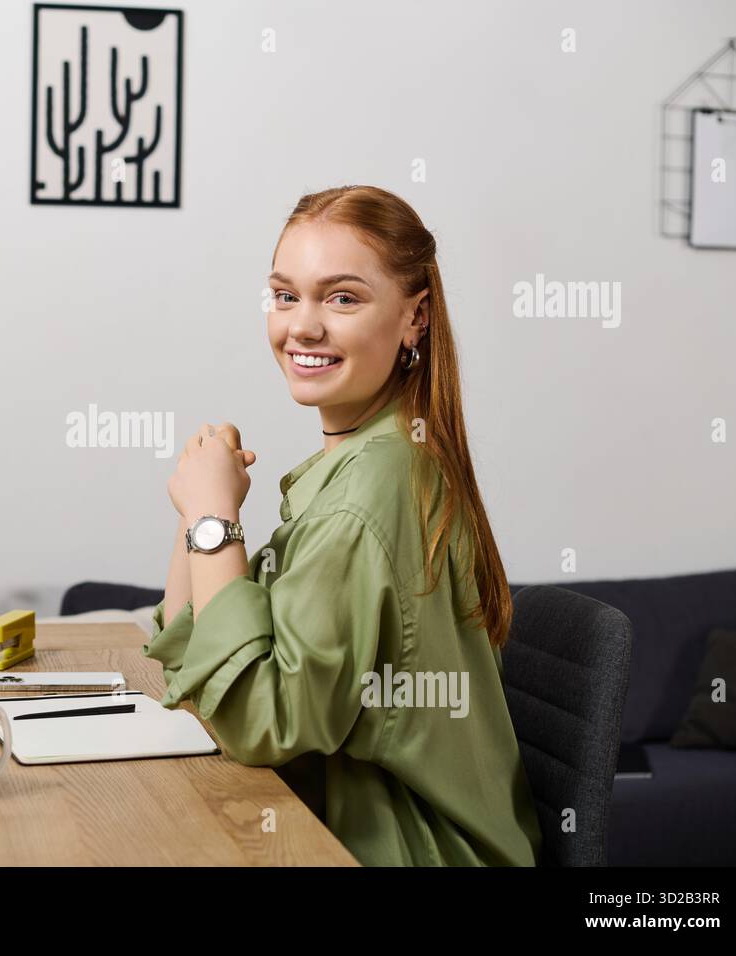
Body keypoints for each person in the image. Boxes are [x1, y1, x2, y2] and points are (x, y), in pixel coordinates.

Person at [144, 185, 542, 866]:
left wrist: (216, 519)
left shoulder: (371, 494)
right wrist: (199, 515)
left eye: (342, 298)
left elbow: (260, 722)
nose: (302, 326)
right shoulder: (362, 466)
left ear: (415, 318)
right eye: (285, 295)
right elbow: (193, 662)